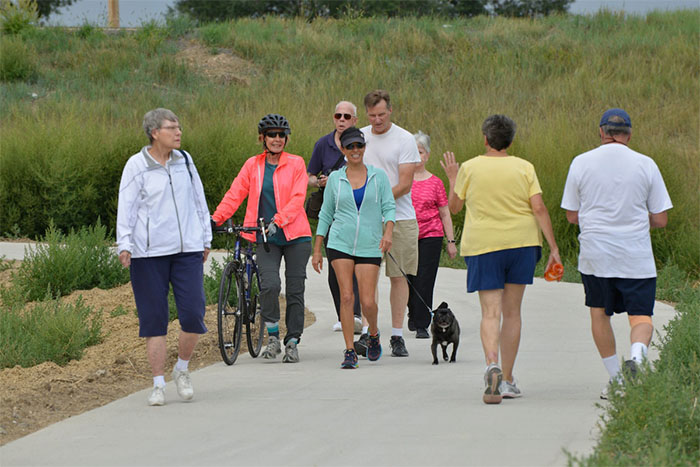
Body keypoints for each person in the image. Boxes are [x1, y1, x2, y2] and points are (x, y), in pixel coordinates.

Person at [442, 114, 561, 405]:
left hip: (484, 245)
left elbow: (455, 208)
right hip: (521, 244)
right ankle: (507, 379)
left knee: (490, 312)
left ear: (485, 138)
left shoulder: (470, 168)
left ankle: (491, 364)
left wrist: (454, 177)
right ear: (511, 140)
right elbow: (539, 208)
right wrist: (553, 248)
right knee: (513, 312)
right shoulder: (524, 167)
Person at [561, 108, 672, 399]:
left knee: (600, 313)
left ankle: (617, 380)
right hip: (636, 256)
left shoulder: (581, 162)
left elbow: (572, 215)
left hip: (596, 254)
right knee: (641, 317)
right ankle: (636, 358)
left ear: (601, 132)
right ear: (629, 135)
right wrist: (633, 218)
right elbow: (660, 219)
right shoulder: (646, 164)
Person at [117, 108, 212, 406]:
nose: (178, 131)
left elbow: (199, 199)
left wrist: (205, 237)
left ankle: (181, 369)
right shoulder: (136, 165)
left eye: (179, 126)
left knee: (195, 314)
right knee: (154, 320)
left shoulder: (185, 160)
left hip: (187, 251)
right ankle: (158, 383)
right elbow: (127, 206)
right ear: (154, 132)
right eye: (171, 127)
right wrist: (125, 244)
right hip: (148, 255)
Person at [211, 114, 312, 363]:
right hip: (264, 235)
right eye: (271, 135)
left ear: (286, 138)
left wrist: (278, 221)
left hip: (295, 234)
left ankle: (292, 341)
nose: (277, 139)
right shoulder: (252, 166)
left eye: (281, 135)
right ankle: (274, 336)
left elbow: (298, 198)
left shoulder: (296, 163)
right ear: (262, 138)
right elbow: (235, 194)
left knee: (295, 289)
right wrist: (216, 219)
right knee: (269, 285)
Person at [311, 127, 395, 368]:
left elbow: (389, 208)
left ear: (364, 147)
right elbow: (326, 214)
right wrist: (318, 248)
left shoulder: (378, 177)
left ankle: (374, 334)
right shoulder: (336, 179)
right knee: (346, 296)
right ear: (343, 150)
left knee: (368, 302)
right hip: (340, 243)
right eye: (350, 147)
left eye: (359, 146)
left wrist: (387, 233)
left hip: (369, 244)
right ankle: (349, 350)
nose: (355, 151)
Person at [356, 89, 421, 358]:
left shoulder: (405, 139)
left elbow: (405, 183)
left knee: (399, 276)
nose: (377, 120)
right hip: (367, 219)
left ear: (390, 111)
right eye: (372, 115)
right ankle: (369, 333)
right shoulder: (359, 137)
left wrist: (376, 196)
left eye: (381, 114)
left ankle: (397, 335)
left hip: (401, 217)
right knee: (366, 278)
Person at [307, 101, 363, 334]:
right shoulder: (323, 144)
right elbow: (309, 176)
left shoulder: (360, 142)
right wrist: (318, 181)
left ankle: (357, 314)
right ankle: (343, 314)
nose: (341, 119)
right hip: (331, 210)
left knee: (357, 262)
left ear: (354, 120)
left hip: (356, 210)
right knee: (335, 263)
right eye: (338, 115)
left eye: (347, 116)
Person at [407, 131, 458, 339]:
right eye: (412, 152)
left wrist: (451, 241)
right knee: (408, 278)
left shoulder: (435, 183)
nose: (416, 156)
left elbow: (445, 212)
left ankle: (422, 322)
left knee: (426, 279)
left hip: (431, 235)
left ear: (427, 155)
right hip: (407, 234)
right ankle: (413, 311)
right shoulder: (402, 179)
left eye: (419, 152)